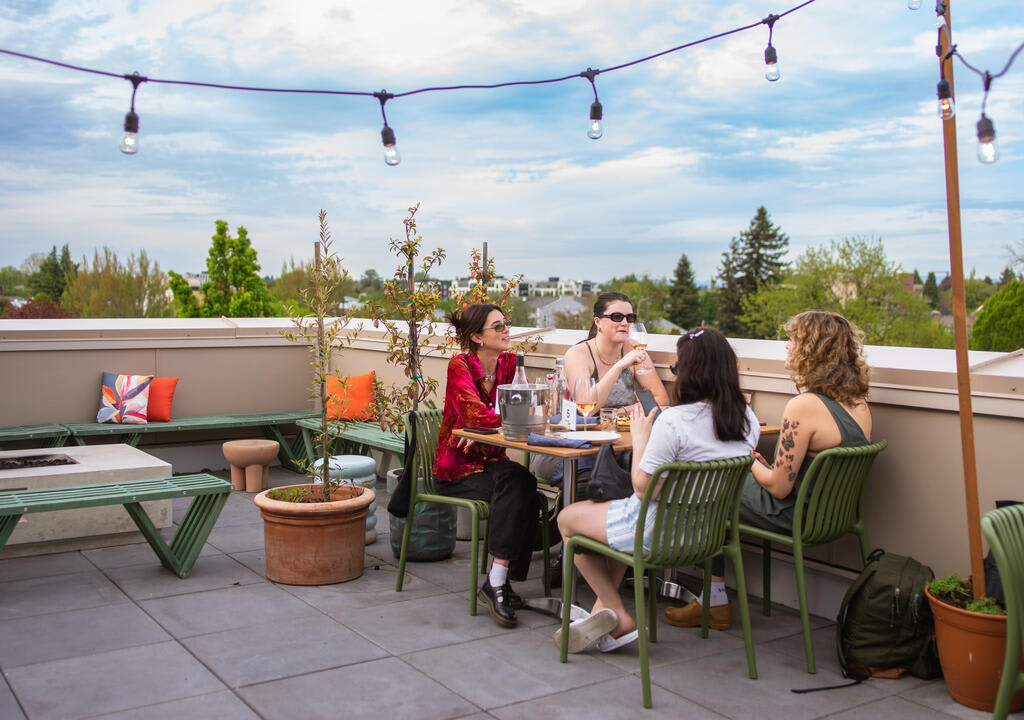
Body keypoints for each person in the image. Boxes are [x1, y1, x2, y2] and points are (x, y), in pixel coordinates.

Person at [664, 310, 871, 631]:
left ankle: (713, 600)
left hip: (792, 515)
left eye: (792, 340)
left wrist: (748, 459)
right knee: (722, 480)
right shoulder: (859, 404)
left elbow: (778, 487)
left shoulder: (804, 406)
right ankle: (712, 596)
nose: (786, 347)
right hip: (831, 515)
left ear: (811, 349)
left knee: (706, 483)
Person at [555, 327, 759, 653]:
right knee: (610, 514)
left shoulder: (674, 421)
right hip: (707, 537)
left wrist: (640, 439)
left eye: (677, 367)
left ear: (691, 372)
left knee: (568, 519)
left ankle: (616, 611)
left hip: (655, 533)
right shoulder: (748, 419)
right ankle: (602, 613)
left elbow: (641, 489)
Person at [434, 303, 540, 628]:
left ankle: (500, 579)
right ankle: (496, 583)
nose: (507, 329)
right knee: (517, 484)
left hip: (491, 458)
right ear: (477, 337)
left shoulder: (509, 364)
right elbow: (476, 416)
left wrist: (492, 428)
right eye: (498, 326)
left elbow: (528, 402)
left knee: (526, 484)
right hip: (457, 468)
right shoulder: (460, 366)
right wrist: (497, 423)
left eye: (506, 322)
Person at [532, 292, 669, 488]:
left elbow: (661, 400)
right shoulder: (579, 354)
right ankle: (570, 517)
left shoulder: (636, 351)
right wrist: (619, 366)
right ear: (598, 321)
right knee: (595, 480)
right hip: (568, 446)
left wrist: (620, 412)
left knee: (648, 468)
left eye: (629, 318)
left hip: (617, 444)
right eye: (616, 317)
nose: (624, 323)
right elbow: (587, 405)